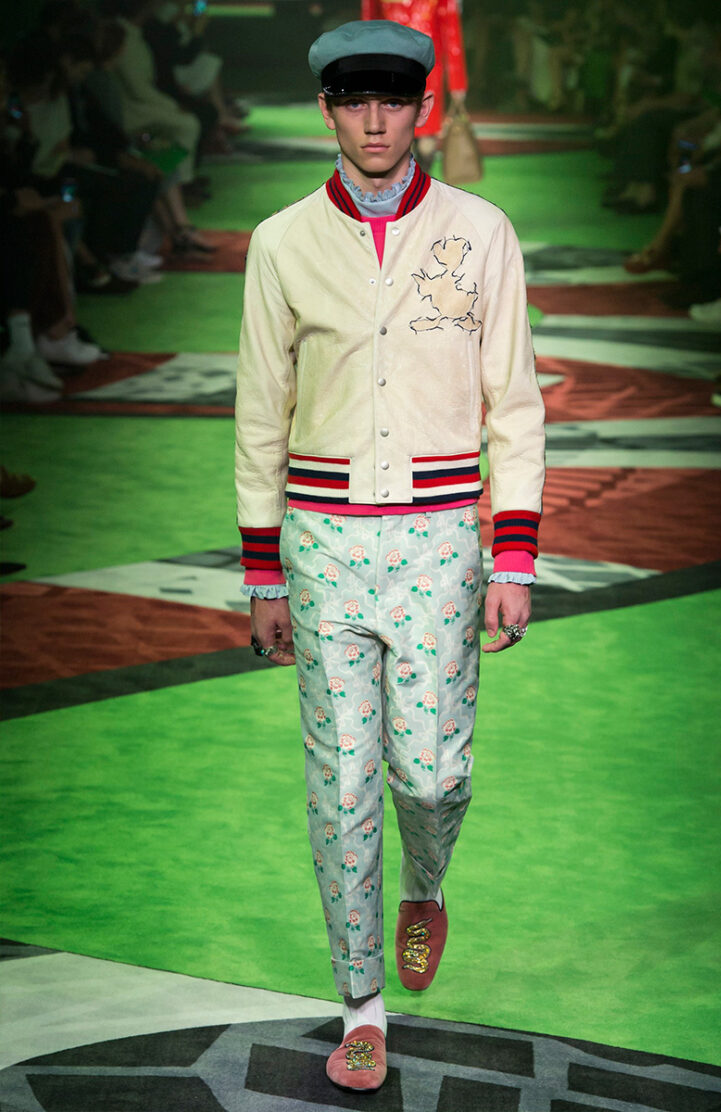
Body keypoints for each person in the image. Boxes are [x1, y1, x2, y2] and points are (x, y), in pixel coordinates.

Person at [234, 19, 545, 1094]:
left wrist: (514, 556)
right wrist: (262, 573)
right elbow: (260, 413)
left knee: (432, 772)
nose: (374, 121)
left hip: (440, 539)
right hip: (321, 545)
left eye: (393, 101)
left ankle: (426, 883)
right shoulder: (281, 242)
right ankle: (361, 1004)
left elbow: (516, 400)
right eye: (354, 101)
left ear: (423, 108)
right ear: (327, 109)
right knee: (342, 783)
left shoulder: (480, 230)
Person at [361, 0, 468, 171]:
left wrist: (457, 83)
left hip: (427, 72)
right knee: (398, 137)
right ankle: (404, 184)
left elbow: (451, 32)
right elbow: (369, 26)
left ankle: (420, 183)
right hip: (393, 70)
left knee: (425, 141)